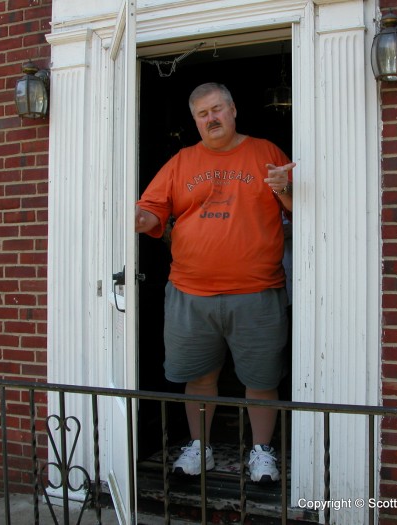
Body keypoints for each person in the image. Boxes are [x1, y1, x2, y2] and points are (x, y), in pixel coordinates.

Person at [135, 82, 295, 483]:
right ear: (195, 121)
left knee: (261, 381)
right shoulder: (180, 161)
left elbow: (297, 208)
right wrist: (136, 218)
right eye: (203, 114)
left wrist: (286, 188)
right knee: (199, 378)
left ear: (234, 109)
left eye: (218, 109)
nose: (212, 118)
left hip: (257, 291)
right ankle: (199, 448)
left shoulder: (266, 153)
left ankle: (261, 453)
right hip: (190, 293)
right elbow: (152, 212)